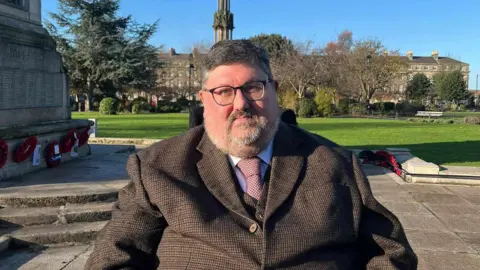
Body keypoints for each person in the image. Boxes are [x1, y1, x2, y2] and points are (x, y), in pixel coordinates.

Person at [85, 40, 417, 269]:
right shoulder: (158, 167)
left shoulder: (335, 164)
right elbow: (113, 258)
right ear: (204, 99)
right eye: (224, 92)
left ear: (273, 90)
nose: (241, 103)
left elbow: (390, 253)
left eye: (253, 88)